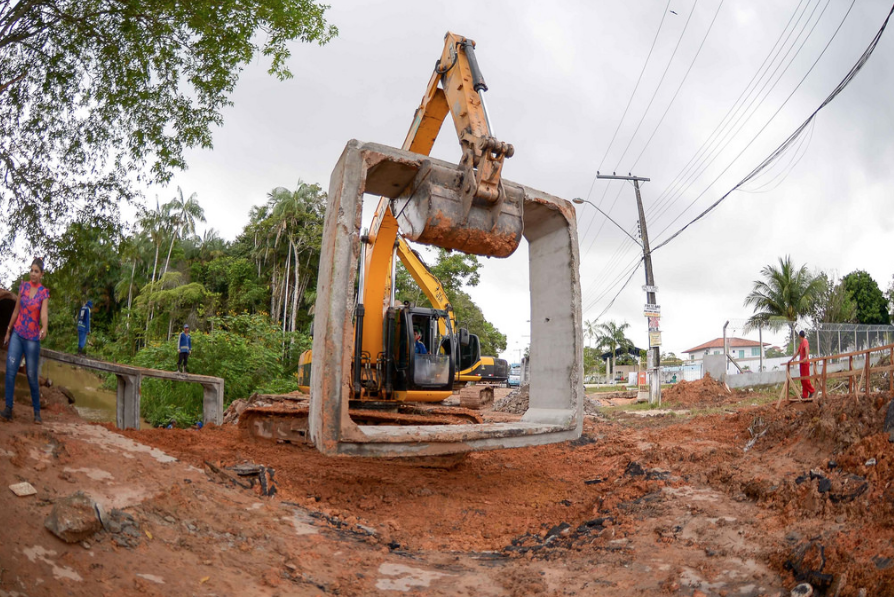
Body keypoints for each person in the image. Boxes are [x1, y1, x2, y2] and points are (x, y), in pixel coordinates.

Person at [2, 258, 50, 424]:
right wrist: (8, 330)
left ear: (41, 274)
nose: (33, 274)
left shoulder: (44, 293)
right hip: (17, 335)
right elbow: (15, 312)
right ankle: (8, 408)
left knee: (31, 375)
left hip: (31, 340)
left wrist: (44, 327)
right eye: (32, 270)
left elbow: (43, 314)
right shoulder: (23, 287)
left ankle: (36, 412)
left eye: (36, 271)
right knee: (10, 370)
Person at [789, 330, 816, 399]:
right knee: (802, 379)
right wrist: (791, 360)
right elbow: (797, 352)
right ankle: (805, 394)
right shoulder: (801, 344)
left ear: (800, 336)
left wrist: (806, 357)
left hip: (805, 363)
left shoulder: (805, 341)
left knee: (806, 379)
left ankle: (812, 391)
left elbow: (806, 349)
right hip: (801, 363)